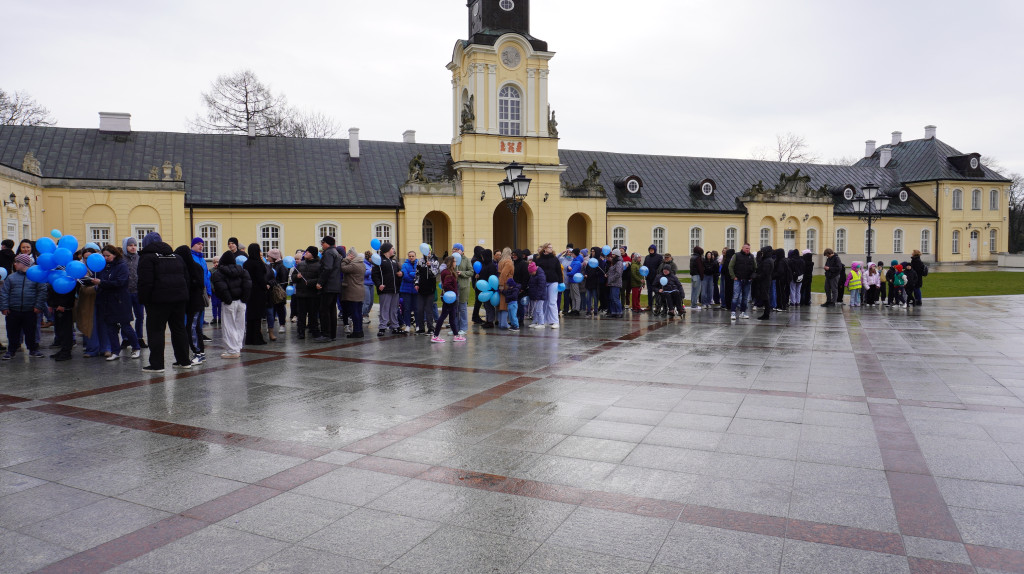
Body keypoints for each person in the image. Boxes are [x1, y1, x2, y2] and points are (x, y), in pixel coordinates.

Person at [137, 232, 191, 372]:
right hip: (179, 299)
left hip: (158, 301)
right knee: (179, 329)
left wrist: (144, 299)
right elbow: (186, 278)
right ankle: (184, 360)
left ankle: (157, 364)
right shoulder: (177, 257)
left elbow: (145, 282)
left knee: (156, 331)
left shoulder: (147, 258)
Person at [93, 245, 142, 361]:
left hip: (120, 301)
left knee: (126, 326)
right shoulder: (103, 267)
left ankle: (136, 347)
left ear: (114, 255)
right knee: (110, 328)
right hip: (107, 300)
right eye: (104, 256)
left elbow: (120, 282)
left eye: (108, 256)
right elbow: (101, 280)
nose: (105, 258)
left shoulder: (121, 266)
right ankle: (115, 351)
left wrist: (101, 283)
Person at [1, 253, 47, 359]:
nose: (15, 264)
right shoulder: (11, 277)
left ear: (24, 263)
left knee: (31, 331)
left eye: (17, 262)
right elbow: (4, 293)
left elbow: (42, 292)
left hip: (30, 310)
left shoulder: (35, 277)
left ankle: (33, 349)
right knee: (12, 332)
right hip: (13, 310)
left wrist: (38, 306)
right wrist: (4, 307)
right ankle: (11, 350)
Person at [210, 251, 251, 358]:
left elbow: (221, 288)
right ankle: (237, 348)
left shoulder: (219, 273)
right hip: (241, 302)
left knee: (229, 326)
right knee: (240, 326)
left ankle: (233, 351)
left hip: (229, 302)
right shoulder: (242, 270)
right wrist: (244, 298)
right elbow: (247, 285)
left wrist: (227, 300)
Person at [174, 245, 207, 363]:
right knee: (196, 328)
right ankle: (200, 352)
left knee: (191, 328)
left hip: (194, 303)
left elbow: (198, 284)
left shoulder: (190, 268)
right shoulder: (194, 266)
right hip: (195, 303)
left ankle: (198, 353)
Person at [431, 256, 465, 343]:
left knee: (452, 317)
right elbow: (446, 285)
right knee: (443, 316)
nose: (455, 263)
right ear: (450, 262)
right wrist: (453, 292)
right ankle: (435, 335)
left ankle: (456, 335)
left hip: (450, 297)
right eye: (454, 261)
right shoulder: (448, 273)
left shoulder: (448, 272)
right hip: (449, 298)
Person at [47, 269, 77, 361]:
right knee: (60, 329)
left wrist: (63, 304)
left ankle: (66, 351)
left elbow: (68, 290)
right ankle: (63, 349)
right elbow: (51, 288)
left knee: (66, 330)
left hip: (64, 307)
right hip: (57, 305)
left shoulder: (67, 276)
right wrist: (51, 304)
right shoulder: (55, 273)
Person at [122, 237, 147, 348]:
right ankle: (126, 339)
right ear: (125, 246)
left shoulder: (140, 258)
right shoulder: (121, 259)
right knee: (125, 317)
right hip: (125, 292)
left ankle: (139, 337)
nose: (133, 247)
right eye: (130, 245)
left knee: (140, 317)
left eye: (135, 245)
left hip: (138, 292)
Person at [316, 236, 342, 342]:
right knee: (331, 310)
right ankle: (332, 334)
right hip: (335, 285)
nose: (321, 245)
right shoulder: (336, 252)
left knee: (324, 310)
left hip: (328, 285)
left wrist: (320, 282)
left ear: (327, 243)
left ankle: (326, 334)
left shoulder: (328, 253)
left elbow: (327, 268)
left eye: (322, 243)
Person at [243, 243, 269, 346]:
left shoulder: (246, 263)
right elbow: (260, 278)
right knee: (257, 316)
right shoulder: (258, 263)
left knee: (250, 316)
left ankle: (249, 339)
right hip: (258, 292)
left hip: (249, 291)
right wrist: (265, 286)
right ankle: (257, 338)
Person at [373, 242, 402, 336]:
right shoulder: (380, 261)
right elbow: (375, 275)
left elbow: (398, 274)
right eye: (392, 248)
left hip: (395, 289)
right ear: (387, 250)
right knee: (384, 308)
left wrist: (401, 275)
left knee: (394, 309)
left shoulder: (394, 261)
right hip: (385, 289)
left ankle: (395, 326)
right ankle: (382, 327)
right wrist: (379, 284)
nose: (393, 250)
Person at [293, 247, 321, 339]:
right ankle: (301, 332)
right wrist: (296, 277)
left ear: (313, 254)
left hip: (313, 294)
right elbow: (293, 277)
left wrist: (311, 282)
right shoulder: (301, 264)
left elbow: (321, 278)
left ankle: (314, 331)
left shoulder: (319, 265)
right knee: (301, 315)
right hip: (301, 294)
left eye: (308, 252)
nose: (305, 253)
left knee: (313, 314)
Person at [339, 247, 366, 338]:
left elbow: (342, 268)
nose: (347, 256)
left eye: (348, 255)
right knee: (358, 312)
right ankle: (360, 331)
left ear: (351, 256)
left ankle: (356, 331)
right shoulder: (362, 264)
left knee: (355, 312)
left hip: (353, 291)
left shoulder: (354, 265)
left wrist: (345, 260)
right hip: (360, 290)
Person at [190, 238, 212, 342]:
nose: (201, 246)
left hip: (203, 290)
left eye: (202, 244)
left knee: (201, 313)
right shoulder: (191, 257)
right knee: (194, 314)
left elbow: (206, 276)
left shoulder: (202, 259)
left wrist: (209, 291)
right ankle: (192, 334)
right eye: (198, 244)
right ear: (193, 245)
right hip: (194, 290)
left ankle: (199, 333)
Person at [265, 248, 287, 337]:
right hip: (271, 291)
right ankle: (271, 325)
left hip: (278, 291)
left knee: (280, 308)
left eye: (269, 256)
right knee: (271, 309)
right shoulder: (269, 265)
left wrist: (280, 289)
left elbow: (284, 280)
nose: (267, 258)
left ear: (273, 257)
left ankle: (282, 325)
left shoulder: (281, 266)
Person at [453, 243, 472, 335]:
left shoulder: (466, 260)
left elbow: (471, 272)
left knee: (462, 308)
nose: (454, 251)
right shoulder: (451, 259)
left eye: (456, 249)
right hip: (453, 287)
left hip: (463, 286)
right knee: (454, 308)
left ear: (461, 250)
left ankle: (463, 328)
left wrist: (462, 273)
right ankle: (455, 327)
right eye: (453, 249)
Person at [477, 249, 497, 328]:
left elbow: (491, 277)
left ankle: (490, 321)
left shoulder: (491, 266)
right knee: (486, 305)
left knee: (489, 306)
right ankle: (488, 320)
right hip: (485, 289)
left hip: (489, 289)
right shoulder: (485, 264)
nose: (482, 258)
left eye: (483, 256)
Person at [399, 250, 418, 331]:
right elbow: (405, 276)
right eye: (410, 256)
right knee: (407, 308)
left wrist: (411, 274)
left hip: (416, 290)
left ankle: (418, 325)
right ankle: (407, 325)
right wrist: (414, 277)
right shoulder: (404, 265)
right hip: (406, 290)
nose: (411, 257)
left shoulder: (419, 264)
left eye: (412, 256)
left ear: (415, 256)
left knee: (417, 308)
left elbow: (419, 275)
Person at [496, 247, 515, 329]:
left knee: (500, 304)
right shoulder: (509, 262)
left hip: (501, 283)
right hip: (506, 284)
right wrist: (502, 285)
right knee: (505, 304)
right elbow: (504, 274)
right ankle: (504, 323)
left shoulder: (501, 262)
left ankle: (501, 322)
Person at [755, 246, 775, 320]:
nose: (762, 253)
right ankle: (766, 313)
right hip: (766, 280)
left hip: (765, 281)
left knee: (765, 297)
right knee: (765, 297)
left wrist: (757, 276)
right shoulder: (768, 260)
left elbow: (764, 273)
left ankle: (766, 314)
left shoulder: (767, 261)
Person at [526, 261, 547, 328]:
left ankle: (541, 323)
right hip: (534, 295)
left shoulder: (541, 276)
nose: (531, 274)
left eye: (531, 272)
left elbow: (541, 287)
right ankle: (535, 321)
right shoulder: (533, 275)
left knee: (539, 309)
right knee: (534, 309)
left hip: (539, 296)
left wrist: (537, 297)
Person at [642, 245, 661, 313]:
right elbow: (644, 266)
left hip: (656, 278)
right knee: (649, 292)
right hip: (648, 277)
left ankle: (657, 306)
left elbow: (660, 267)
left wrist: (657, 274)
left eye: (652, 250)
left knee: (657, 292)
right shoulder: (647, 257)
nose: (651, 251)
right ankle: (650, 305)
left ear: (655, 250)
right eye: (650, 250)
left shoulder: (659, 257)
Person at [606, 251, 623, 318]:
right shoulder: (614, 262)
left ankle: (619, 312)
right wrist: (607, 274)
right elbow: (612, 270)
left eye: (613, 254)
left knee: (615, 299)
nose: (612, 256)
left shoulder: (619, 263)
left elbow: (618, 274)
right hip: (612, 283)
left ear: (617, 255)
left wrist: (610, 279)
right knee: (612, 298)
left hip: (616, 283)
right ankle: (614, 312)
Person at [689, 246, 705, 310]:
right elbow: (700, 268)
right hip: (697, 275)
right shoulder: (698, 258)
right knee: (696, 291)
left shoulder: (692, 257)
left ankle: (693, 304)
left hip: (693, 275)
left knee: (693, 291)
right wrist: (702, 276)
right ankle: (694, 305)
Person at [362, 250, 375, 325]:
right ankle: (363, 315)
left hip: (371, 284)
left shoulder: (371, 264)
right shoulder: (363, 264)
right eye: (371, 258)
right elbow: (363, 273)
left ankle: (366, 314)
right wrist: (370, 271)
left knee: (371, 302)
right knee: (366, 302)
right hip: (365, 284)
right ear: (368, 258)